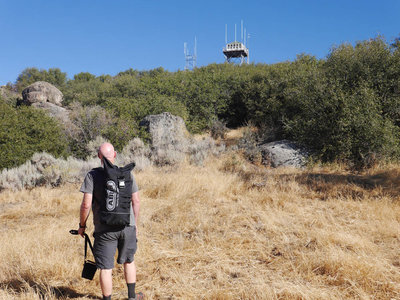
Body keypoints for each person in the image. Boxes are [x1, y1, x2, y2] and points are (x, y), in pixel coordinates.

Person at [78, 142, 143, 300]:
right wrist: (135, 225)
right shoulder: (127, 174)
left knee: (106, 268)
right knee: (129, 261)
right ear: (114, 154)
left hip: (104, 229)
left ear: (99, 156)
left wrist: (82, 226)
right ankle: (132, 297)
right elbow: (136, 201)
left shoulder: (92, 175)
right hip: (128, 226)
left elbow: (86, 204)